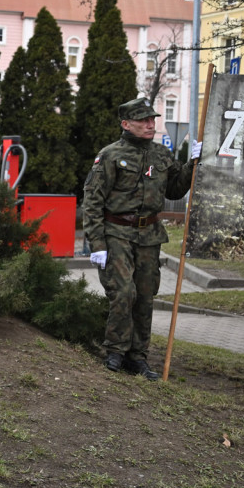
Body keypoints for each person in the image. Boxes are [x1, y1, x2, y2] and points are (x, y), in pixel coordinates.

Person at [82, 97, 201, 380]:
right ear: (126, 124)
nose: (150, 125)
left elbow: (174, 190)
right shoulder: (110, 155)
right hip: (116, 234)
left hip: (149, 235)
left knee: (145, 296)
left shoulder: (161, 155)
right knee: (124, 292)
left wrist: (192, 164)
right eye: (143, 121)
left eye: (152, 120)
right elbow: (93, 201)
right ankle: (115, 351)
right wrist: (96, 244)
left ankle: (137, 357)